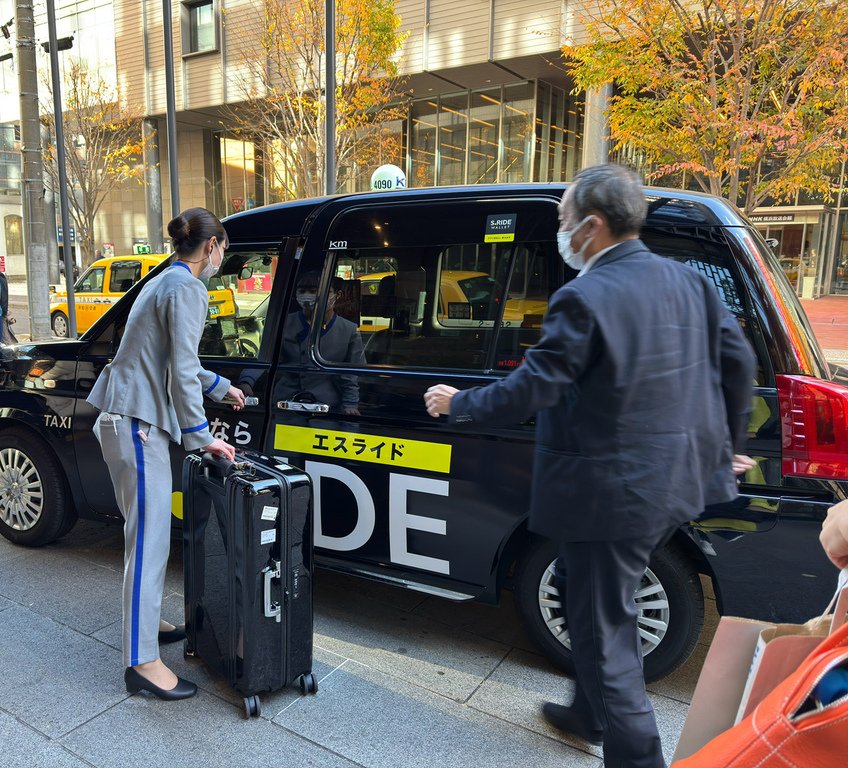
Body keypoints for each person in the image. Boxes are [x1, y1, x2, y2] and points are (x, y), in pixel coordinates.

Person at [423, 163, 756, 768]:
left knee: (606, 632)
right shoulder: (688, 283)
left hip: (611, 497)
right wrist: (729, 441)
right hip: (670, 483)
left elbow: (533, 388)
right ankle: (588, 712)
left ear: (593, 227)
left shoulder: (585, 296)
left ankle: (636, 755)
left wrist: (458, 403)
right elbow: (737, 363)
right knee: (588, 594)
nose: (562, 229)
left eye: (563, 219)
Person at [87, 207, 246, 701]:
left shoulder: (165, 280)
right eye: (223, 248)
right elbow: (180, 368)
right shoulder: (188, 288)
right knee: (152, 542)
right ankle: (142, 662)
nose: (223, 257)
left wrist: (220, 385)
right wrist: (203, 436)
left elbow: (168, 360)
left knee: (144, 538)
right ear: (211, 246)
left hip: (124, 416)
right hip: (138, 425)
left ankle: (147, 621)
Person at [238, 272, 365, 415]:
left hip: (326, 407)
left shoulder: (349, 330)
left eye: (314, 291)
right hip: (284, 404)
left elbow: (351, 374)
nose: (307, 295)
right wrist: (247, 381)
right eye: (302, 290)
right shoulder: (283, 323)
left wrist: (350, 404)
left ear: (337, 295)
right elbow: (265, 357)